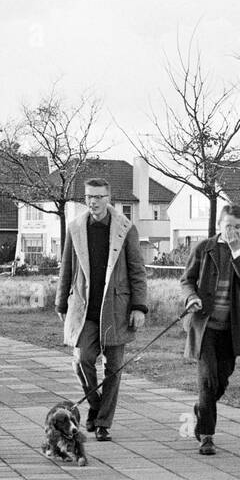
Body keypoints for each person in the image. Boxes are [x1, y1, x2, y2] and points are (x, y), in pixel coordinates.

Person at [55, 178, 148, 442]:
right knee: (81, 361)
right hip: (85, 310)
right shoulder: (75, 228)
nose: (93, 201)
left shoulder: (126, 229)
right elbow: (67, 268)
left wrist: (139, 307)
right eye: (88, 197)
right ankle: (95, 407)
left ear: (109, 198)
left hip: (116, 310)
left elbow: (137, 271)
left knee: (114, 368)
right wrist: (61, 302)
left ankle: (104, 423)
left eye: (98, 196)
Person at [180, 204, 240, 456]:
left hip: (231, 328)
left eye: (237, 227)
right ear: (219, 226)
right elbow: (187, 281)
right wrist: (191, 297)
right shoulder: (204, 248)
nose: (233, 231)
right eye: (228, 226)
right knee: (207, 381)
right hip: (205, 327)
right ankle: (206, 436)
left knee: (222, 381)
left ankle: (201, 411)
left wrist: (237, 253)